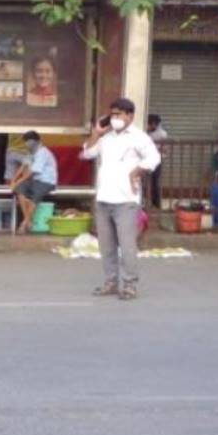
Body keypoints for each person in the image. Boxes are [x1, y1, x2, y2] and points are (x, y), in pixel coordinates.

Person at [81, 98, 160, 301]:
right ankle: (111, 282)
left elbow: (153, 158)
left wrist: (137, 171)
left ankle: (130, 284)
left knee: (127, 246)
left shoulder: (139, 138)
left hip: (126, 200)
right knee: (106, 246)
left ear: (130, 116)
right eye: (113, 114)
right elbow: (86, 153)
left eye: (119, 114)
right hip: (104, 198)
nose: (115, 118)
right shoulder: (106, 138)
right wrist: (96, 133)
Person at [9, 130, 57, 233]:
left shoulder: (42, 152)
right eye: (25, 141)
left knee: (35, 195)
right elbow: (23, 166)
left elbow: (33, 172)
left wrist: (18, 181)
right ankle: (29, 221)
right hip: (35, 181)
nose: (27, 144)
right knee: (19, 190)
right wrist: (14, 181)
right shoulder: (31, 153)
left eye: (28, 141)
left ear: (36, 141)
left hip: (46, 181)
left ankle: (24, 223)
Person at [146, 114, 168, 209]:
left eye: (149, 124)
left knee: (155, 182)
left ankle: (156, 204)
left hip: (156, 161)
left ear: (154, 124)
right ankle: (148, 203)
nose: (148, 126)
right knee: (147, 182)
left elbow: (165, 149)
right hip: (146, 159)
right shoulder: (146, 132)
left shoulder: (162, 134)